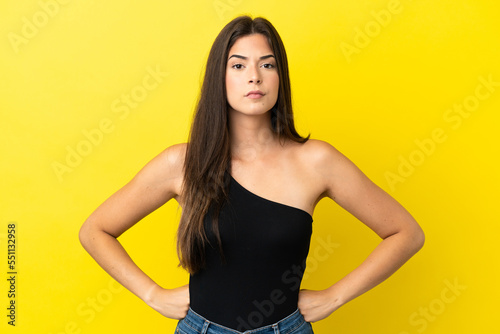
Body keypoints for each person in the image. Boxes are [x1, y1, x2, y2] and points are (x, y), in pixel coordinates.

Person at [79, 15, 425, 334]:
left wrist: (335, 296)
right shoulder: (182, 164)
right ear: (221, 77)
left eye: (267, 65)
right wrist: (152, 294)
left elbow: (406, 233)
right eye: (239, 65)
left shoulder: (316, 161)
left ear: (279, 77)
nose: (254, 76)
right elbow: (95, 230)